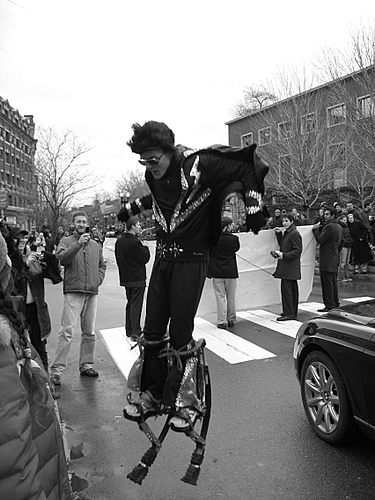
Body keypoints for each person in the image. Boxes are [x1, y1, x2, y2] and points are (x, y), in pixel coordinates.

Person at [118, 120, 269, 430]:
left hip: (193, 258)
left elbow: (247, 165)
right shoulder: (152, 174)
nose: (149, 166)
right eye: (143, 161)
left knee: (181, 331)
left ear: (168, 152)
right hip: (163, 259)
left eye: (153, 159)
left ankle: (185, 402)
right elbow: (161, 200)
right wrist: (132, 208)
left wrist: (255, 206)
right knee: (153, 329)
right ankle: (151, 394)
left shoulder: (198, 163)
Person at [0, 232, 72, 500]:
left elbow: (55, 273)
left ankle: (48, 382)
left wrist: (39, 259)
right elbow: (14, 457)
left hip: (28, 319)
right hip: (18, 317)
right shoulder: (5, 350)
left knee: (39, 352)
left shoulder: (35, 258)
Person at [49, 211, 107, 386]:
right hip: (74, 292)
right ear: (73, 224)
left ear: (87, 223)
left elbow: (101, 264)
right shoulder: (66, 242)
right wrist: (77, 245)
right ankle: (57, 370)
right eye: (78, 222)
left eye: (83, 221)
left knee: (89, 331)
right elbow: (62, 259)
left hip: (91, 292)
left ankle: (87, 364)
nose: (81, 224)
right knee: (66, 332)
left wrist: (97, 280)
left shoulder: (96, 245)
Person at [115, 216, 150, 339]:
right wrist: (145, 247)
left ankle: (129, 329)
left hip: (126, 277)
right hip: (137, 278)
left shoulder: (119, 241)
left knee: (130, 303)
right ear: (133, 226)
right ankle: (136, 331)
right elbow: (145, 258)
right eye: (139, 225)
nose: (140, 227)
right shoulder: (135, 242)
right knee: (136, 304)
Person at [207, 217, 240, 329]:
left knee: (220, 297)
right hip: (230, 271)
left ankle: (221, 321)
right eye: (231, 225)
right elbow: (236, 249)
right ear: (227, 226)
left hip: (217, 272)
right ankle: (231, 319)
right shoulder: (234, 239)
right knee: (231, 297)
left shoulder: (213, 239)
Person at [272, 213, 302, 321]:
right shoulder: (288, 232)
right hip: (289, 266)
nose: (284, 223)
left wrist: (284, 255)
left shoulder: (294, 233)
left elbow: (297, 250)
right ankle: (290, 311)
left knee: (287, 290)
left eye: (286, 221)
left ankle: (289, 313)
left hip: (290, 266)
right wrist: (279, 235)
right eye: (283, 221)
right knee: (290, 289)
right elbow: (285, 245)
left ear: (292, 221)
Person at [313, 206, 343, 312]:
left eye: (327, 214)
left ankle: (329, 304)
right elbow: (342, 242)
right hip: (334, 256)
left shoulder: (329, 226)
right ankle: (335, 302)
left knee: (327, 283)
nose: (325, 216)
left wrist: (315, 230)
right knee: (333, 282)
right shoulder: (338, 226)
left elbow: (320, 239)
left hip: (327, 258)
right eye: (324, 214)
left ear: (333, 215)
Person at [337, 214, 353, 282]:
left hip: (348, 245)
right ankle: (341, 277)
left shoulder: (347, 227)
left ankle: (347, 276)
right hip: (344, 246)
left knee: (347, 262)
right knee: (343, 262)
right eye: (344, 220)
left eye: (346, 220)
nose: (345, 221)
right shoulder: (340, 227)